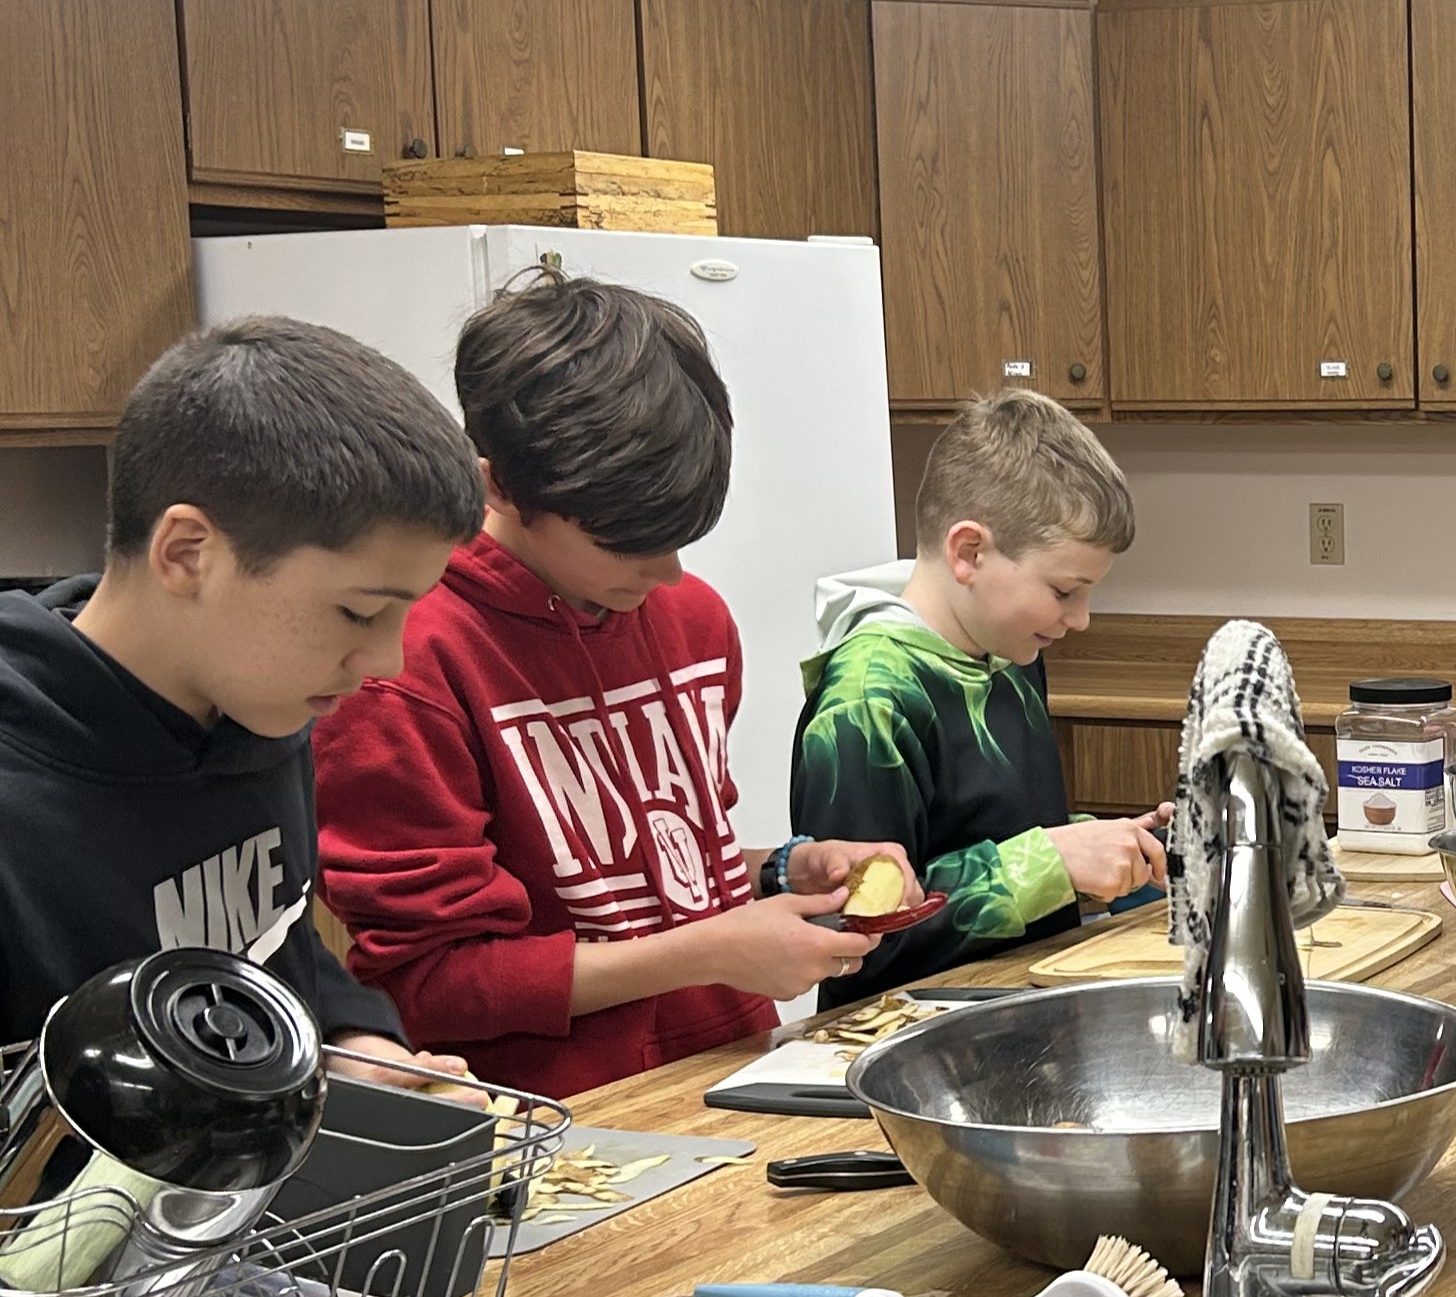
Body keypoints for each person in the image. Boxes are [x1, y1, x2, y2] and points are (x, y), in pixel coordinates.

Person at [315, 270, 911, 1100]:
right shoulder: (404, 668)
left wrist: (785, 872)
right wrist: (710, 951)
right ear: (498, 487)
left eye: (679, 538)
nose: (667, 574)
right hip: (554, 1124)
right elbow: (425, 985)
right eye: (628, 543)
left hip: (732, 1076)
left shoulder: (693, 621)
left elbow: (648, 876)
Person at [0, 318, 483, 1081]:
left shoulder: (266, 707)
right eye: (358, 611)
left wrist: (359, 1049)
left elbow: (271, 945)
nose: (384, 660)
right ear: (188, 554)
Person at [793, 388, 1169, 1006]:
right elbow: (854, 933)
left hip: (1020, 1009)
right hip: (909, 1043)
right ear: (969, 553)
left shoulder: (1010, 652)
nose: (1081, 619)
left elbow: (1005, 839)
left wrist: (1113, 848)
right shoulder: (866, 701)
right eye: (1064, 590)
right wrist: (1054, 862)